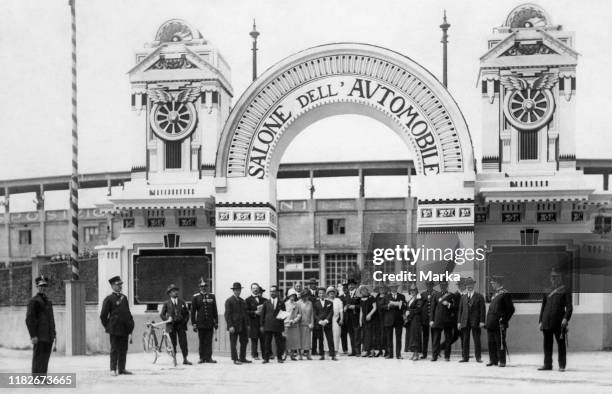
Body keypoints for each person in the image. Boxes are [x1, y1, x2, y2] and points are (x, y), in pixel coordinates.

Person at [538, 268, 572, 372]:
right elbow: (543, 307)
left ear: (560, 278)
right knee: (547, 345)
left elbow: (569, 307)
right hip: (547, 321)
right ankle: (547, 364)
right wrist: (540, 321)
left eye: (556, 277)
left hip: (559, 322)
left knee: (561, 345)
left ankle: (562, 365)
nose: (553, 279)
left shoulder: (565, 290)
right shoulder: (547, 290)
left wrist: (566, 319)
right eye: (552, 277)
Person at [100, 276, 134, 376]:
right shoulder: (109, 299)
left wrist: (131, 324)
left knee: (124, 349)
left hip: (124, 327)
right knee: (114, 349)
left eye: (120, 285)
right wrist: (108, 326)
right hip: (114, 328)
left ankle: (122, 368)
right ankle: (113, 369)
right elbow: (103, 315)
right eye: (117, 285)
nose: (120, 287)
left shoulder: (124, 298)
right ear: (112, 286)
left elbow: (127, 312)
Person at [26, 275, 56, 375]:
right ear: (37, 287)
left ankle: (43, 376)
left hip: (48, 335)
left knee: (45, 357)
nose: (43, 288)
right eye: (40, 286)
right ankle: (36, 377)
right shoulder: (34, 301)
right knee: (38, 356)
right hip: (39, 335)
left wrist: (53, 333)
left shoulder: (48, 301)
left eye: (44, 286)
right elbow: (29, 319)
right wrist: (33, 335)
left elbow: (51, 319)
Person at [486, 275, 515, 368]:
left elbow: (511, 309)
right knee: (491, 342)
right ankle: (493, 360)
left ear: (498, 283)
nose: (492, 285)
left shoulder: (505, 294)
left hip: (499, 323)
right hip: (491, 323)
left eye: (493, 283)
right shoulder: (495, 294)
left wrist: (504, 319)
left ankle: (502, 361)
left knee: (500, 342)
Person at [160, 284, 191, 365]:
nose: (175, 292)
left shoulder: (182, 302)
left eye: (176, 290)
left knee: (183, 342)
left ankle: (185, 359)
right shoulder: (166, 303)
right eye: (173, 291)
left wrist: (184, 321)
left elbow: (187, 314)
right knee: (173, 343)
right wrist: (167, 319)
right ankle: (174, 359)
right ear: (169, 293)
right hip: (171, 326)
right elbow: (162, 315)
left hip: (181, 325)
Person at [457, 277, 485, 363]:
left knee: (477, 340)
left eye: (471, 285)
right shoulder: (463, 297)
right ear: (466, 286)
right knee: (465, 340)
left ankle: (478, 357)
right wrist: (459, 322)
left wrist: (482, 321)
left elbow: (482, 310)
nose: (470, 286)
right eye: (468, 285)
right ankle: (465, 358)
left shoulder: (479, 296)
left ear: (474, 285)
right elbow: (460, 311)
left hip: (476, 322)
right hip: (465, 321)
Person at [191, 278, 218, 363]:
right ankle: (202, 357)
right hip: (201, 323)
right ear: (199, 287)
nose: (204, 288)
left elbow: (215, 310)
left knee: (209, 341)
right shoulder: (196, 297)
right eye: (202, 286)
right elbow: (193, 312)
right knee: (202, 340)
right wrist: (194, 324)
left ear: (207, 287)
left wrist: (216, 322)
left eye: (205, 286)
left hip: (210, 323)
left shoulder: (212, 296)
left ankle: (209, 357)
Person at [225, 282, 250, 365]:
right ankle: (235, 359)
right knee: (233, 343)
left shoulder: (242, 301)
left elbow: (245, 314)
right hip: (234, 326)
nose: (238, 291)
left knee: (244, 342)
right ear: (233, 291)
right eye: (236, 290)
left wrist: (247, 325)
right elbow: (227, 315)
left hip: (242, 326)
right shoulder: (229, 301)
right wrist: (230, 326)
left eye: (239, 290)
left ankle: (242, 358)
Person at [430, 280, 455, 361]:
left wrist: (448, 304)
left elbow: (455, 307)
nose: (443, 286)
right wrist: (431, 320)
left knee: (448, 339)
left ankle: (447, 356)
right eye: (441, 285)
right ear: (440, 286)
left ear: (447, 285)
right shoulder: (435, 295)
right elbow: (432, 308)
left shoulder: (451, 295)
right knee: (436, 339)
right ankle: (434, 356)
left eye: (444, 285)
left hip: (448, 320)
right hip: (438, 320)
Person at [260, 285, 285, 363]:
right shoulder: (266, 303)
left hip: (278, 325)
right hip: (268, 326)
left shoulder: (281, 303)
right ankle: (266, 358)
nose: (272, 293)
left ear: (277, 292)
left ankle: (279, 358)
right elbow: (262, 315)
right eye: (271, 291)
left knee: (279, 343)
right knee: (267, 343)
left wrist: (283, 317)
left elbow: (284, 313)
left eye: (274, 291)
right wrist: (261, 325)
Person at [313, 287, 337, 360]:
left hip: (327, 323)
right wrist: (320, 321)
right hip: (319, 323)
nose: (321, 294)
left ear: (325, 294)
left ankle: (332, 355)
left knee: (330, 338)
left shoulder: (330, 303)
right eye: (320, 293)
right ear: (318, 294)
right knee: (320, 339)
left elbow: (331, 312)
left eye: (323, 293)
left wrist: (326, 320)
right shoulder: (315, 303)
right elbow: (314, 314)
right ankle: (321, 354)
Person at [382, 284, 405, 359]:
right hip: (389, 320)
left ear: (397, 288)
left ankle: (398, 354)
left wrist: (399, 304)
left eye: (395, 287)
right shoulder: (386, 297)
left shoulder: (402, 296)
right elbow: (381, 306)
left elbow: (405, 306)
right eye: (392, 287)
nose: (394, 288)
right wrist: (388, 306)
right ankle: (390, 354)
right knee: (389, 338)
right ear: (390, 288)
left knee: (398, 338)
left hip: (399, 320)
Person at [245, 283, 266, 360]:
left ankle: (265, 355)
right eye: (254, 288)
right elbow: (246, 311)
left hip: (262, 323)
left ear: (259, 289)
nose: (255, 290)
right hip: (253, 323)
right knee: (254, 339)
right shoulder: (247, 300)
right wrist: (254, 312)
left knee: (263, 339)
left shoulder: (264, 300)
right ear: (251, 289)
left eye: (256, 288)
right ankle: (255, 355)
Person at [420, 280, 438, 359]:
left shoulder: (437, 293)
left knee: (434, 337)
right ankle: (424, 354)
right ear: (426, 285)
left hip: (433, 318)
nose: (429, 286)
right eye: (427, 285)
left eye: (430, 284)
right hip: (425, 318)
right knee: (425, 337)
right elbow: (420, 306)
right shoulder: (423, 294)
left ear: (433, 285)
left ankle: (435, 354)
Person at [404, 283, 423, 361]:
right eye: (411, 290)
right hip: (411, 320)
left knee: (415, 336)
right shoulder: (410, 299)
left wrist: (409, 312)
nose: (412, 291)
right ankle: (414, 353)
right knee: (411, 337)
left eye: (414, 290)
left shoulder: (419, 299)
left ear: (416, 291)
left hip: (416, 320)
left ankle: (416, 354)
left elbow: (418, 309)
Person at [358, 286, 377, 357]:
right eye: (362, 290)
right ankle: (366, 350)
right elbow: (361, 311)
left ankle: (372, 351)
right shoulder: (361, 299)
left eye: (365, 290)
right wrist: (360, 320)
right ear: (361, 292)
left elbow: (375, 308)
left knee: (371, 335)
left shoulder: (371, 298)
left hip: (371, 319)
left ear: (367, 290)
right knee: (365, 335)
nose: (364, 291)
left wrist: (369, 314)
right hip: (364, 320)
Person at [284, 288, 302, 360]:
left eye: (294, 295)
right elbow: (283, 313)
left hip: (294, 324)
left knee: (293, 340)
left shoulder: (297, 304)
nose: (292, 297)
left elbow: (299, 314)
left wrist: (294, 320)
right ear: (288, 296)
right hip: (286, 324)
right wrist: (287, 321)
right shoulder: (285, 304)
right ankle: (285, 354)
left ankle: (292, 355)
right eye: (291, 295)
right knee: (286, 340)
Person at [345, 279, 361, 356]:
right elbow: (345, 304)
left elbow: (362, 305)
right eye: (349, 285)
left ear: (355, 285)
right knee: (351, 334)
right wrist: (345, 307)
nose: (350, 286)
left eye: (352, 284)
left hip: (356, 316)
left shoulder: (358, 294)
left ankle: (358, 351)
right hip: (348, 317)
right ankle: (353, 351)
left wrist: (354, 306)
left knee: (357, 334)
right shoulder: (347, 294)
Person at [326, 286, 343, 356]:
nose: (331, 294)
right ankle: (327, 351)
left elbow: (341, 311)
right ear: (328, 294)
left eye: (333, 292)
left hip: (336, 320)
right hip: (327, 320)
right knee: (326, 336)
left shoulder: (338, 300)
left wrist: (342, 319)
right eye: (330, 293)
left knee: (336, 335)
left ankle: (336, 350)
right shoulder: (326, 300)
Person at [297, 289, 314, 360]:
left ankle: (308, 355)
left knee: (308, 340)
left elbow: (312, 314)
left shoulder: (310, 303)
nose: (305, 297)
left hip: (308, 324)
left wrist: (312, 323)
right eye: (304, 296)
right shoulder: (298, 303)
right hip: (300, 324)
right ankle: (299, 354)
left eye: (307, 296)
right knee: (299, 340)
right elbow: (296, 313)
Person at [375, 285, 388, 357]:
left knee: (385, 335)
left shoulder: (387, 296)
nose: (382, 289)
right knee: (378, 335)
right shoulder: (377, 297)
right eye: (380, 288)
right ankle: (380, 350)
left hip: (385, 317)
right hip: (377, 318)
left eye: (383, 288)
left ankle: (386, 350)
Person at [307, 278, 320, 354]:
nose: (313, 285)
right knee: (307, 333)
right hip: (308, 314)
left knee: (316, 333)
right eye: (311, 284)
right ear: (309, 285)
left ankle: (314, 350)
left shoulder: (319, 292)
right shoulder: (307, 292)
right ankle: (306, 350)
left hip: (317, 314)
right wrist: (315, 299)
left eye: (314, 284)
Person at [339, 282, 350, 354]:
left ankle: (355, 349)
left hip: (350, 317)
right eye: (344, 288)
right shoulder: (340, 297)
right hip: (343, 318)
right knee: (343, 335)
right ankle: (345, 349)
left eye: (346, 288)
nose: (345, 289)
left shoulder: (350, 296)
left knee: (352, 334)